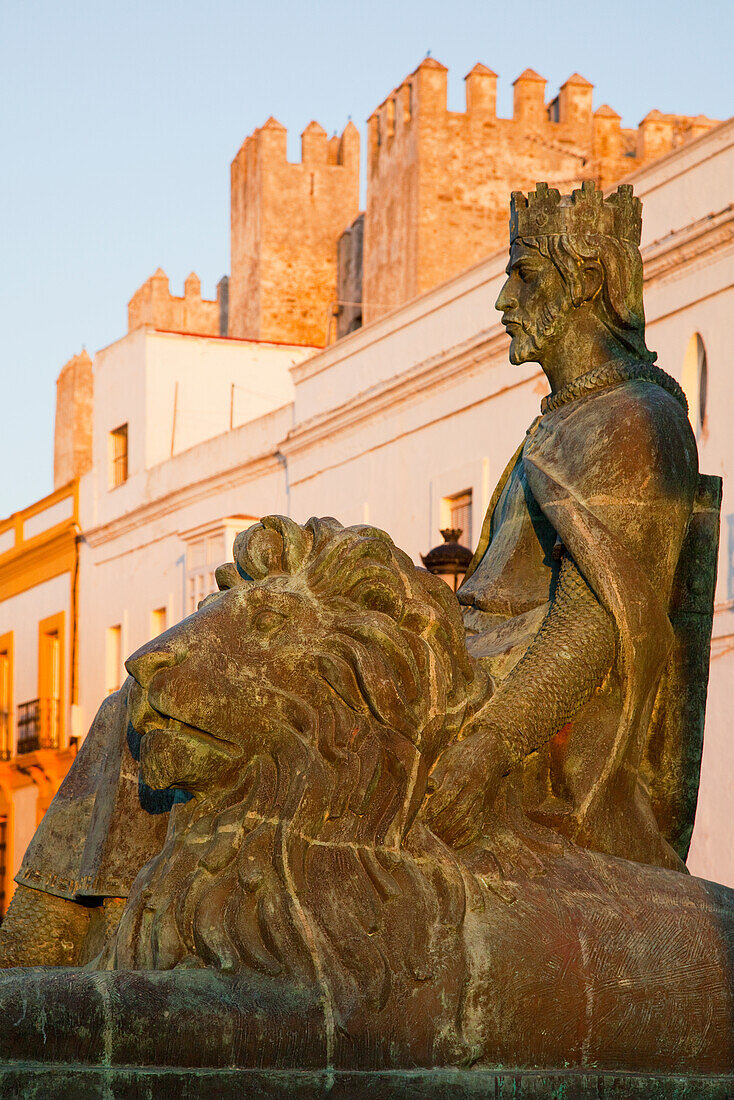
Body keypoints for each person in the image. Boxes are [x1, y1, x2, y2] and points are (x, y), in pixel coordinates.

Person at [424, 181, 715, 872]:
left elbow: (595, 624)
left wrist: (488, 745)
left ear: (583, 282)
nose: (504, 302)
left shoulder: (635, 422)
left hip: (515, 707)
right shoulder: (557, 424)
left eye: (524, 276)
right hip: (470, 664)